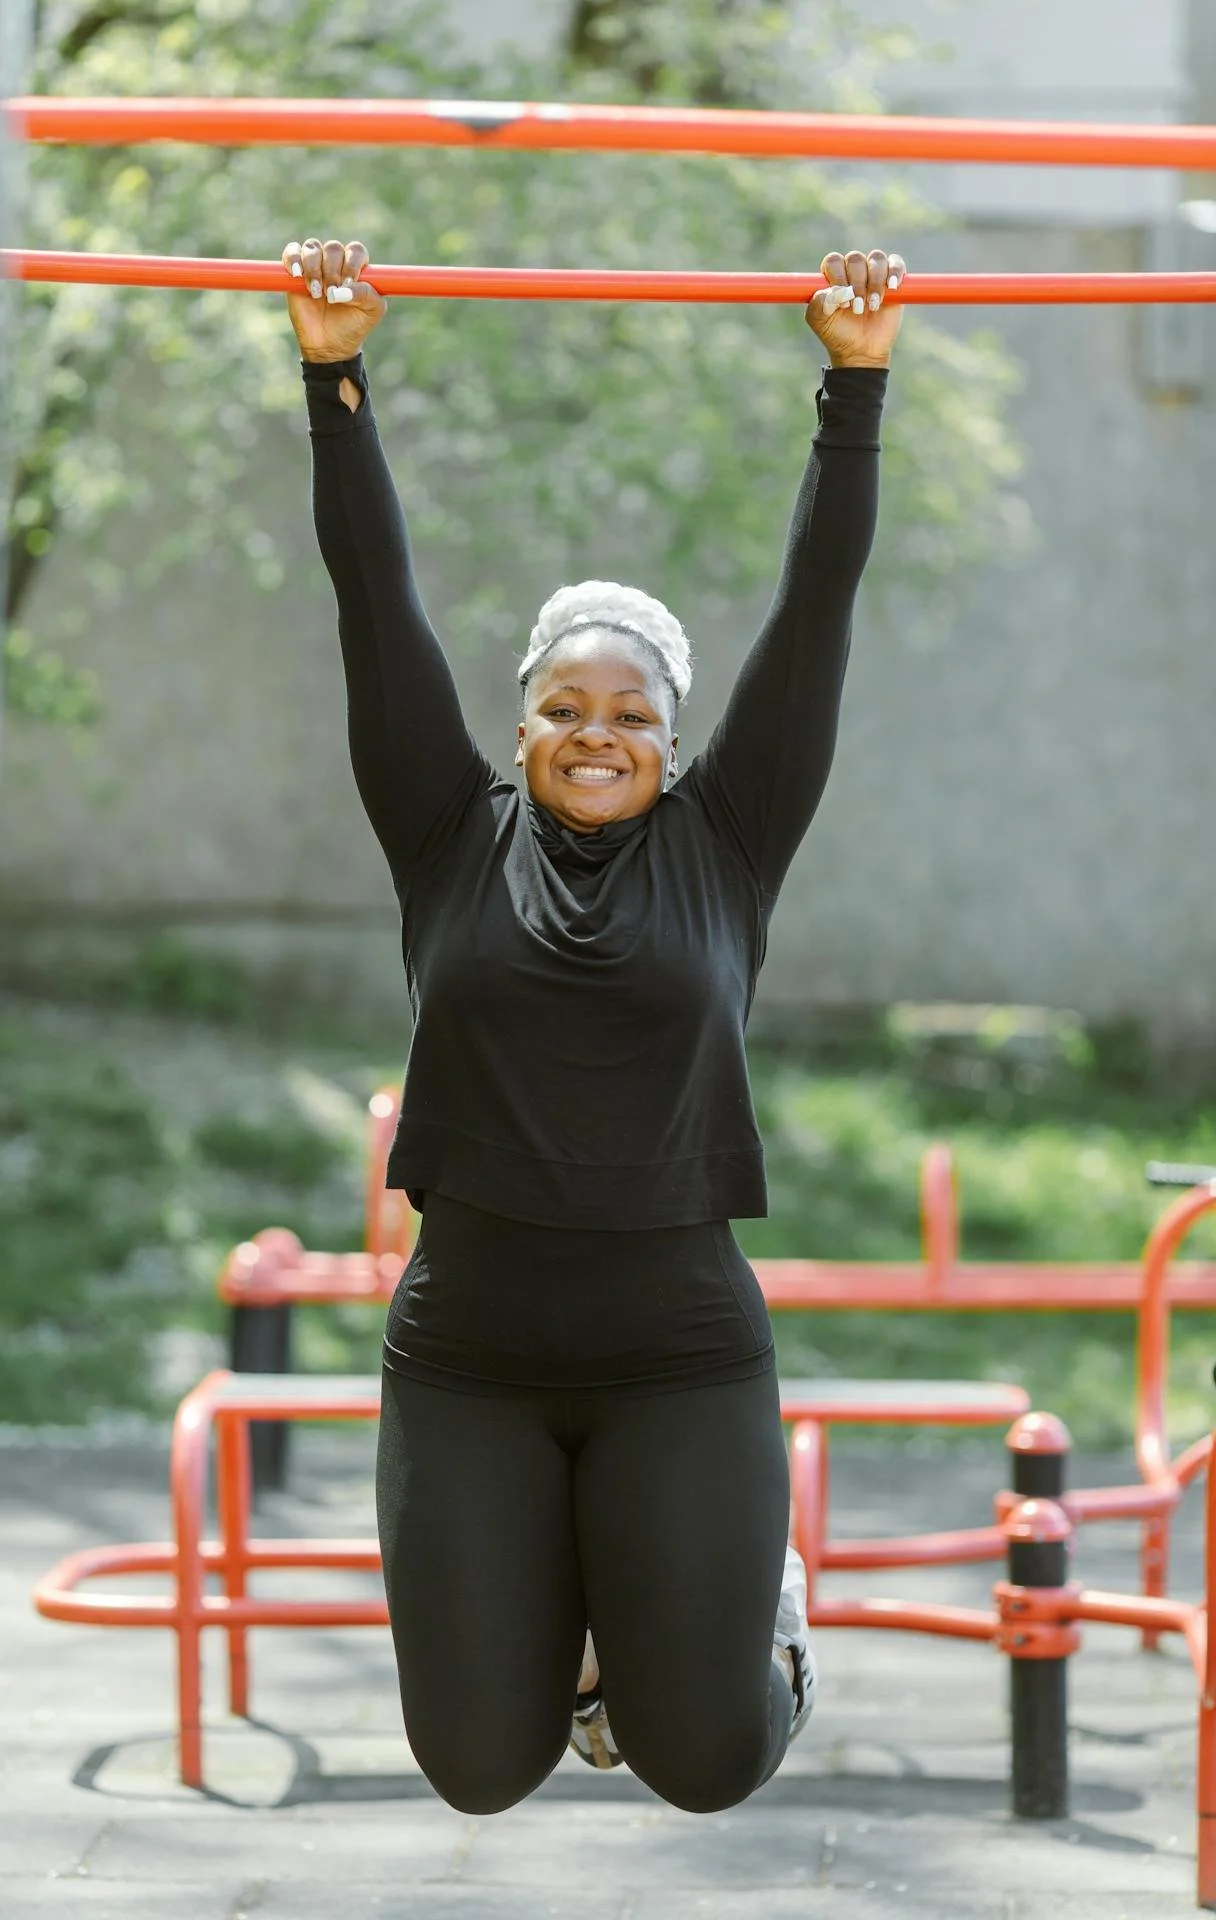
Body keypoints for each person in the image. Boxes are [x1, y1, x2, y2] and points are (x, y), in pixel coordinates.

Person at [284, 234, 903, 1814]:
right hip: (470, 1353)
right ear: (520, 722)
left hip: (677, 1356)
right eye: (566, 705)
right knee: (476, 1770)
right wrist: (334, 377)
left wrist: (854, 385)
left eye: (632, 713)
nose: (596, 733)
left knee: (703, 1764)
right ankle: (567, 1646)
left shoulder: (731, 839)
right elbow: (372, 604)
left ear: (679, 739)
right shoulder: (444, 830)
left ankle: (747, 1631)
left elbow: (819, 606)